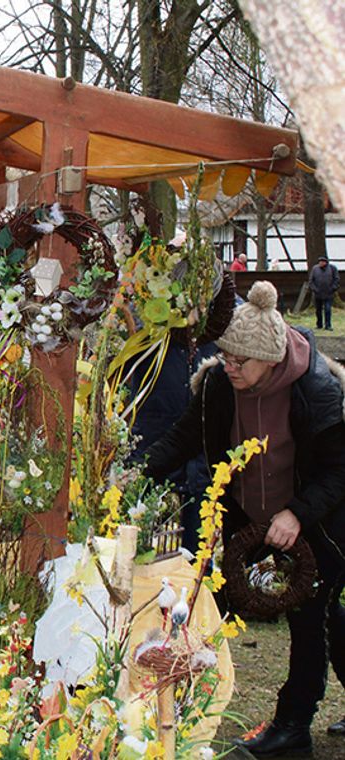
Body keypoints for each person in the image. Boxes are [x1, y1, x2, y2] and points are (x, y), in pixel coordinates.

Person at [144, 281, 345, 757]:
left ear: (271, 359)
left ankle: (293, 725)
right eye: (225, 356)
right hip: (252, 523)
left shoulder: (316, 390)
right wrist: (131, 472)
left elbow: (340, 469)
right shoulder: (218, 384)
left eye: (240, 361)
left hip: (320, 523)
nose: (228, 366)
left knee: (309, 615)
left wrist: (296, 513)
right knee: (326, 618)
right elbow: (183, 439)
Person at [309, 254, 339, 331]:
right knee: (318, 310)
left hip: (328, 293)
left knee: (327, 309)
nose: (320, 263)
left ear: (326, 262)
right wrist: (314, 289)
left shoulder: (332, 268)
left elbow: (336, 279)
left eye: (322, 261)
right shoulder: (315, 269)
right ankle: (319, 324)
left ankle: (328, 325)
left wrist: (333, 288)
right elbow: (311, 280)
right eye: (320, 261)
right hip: (318, 293)